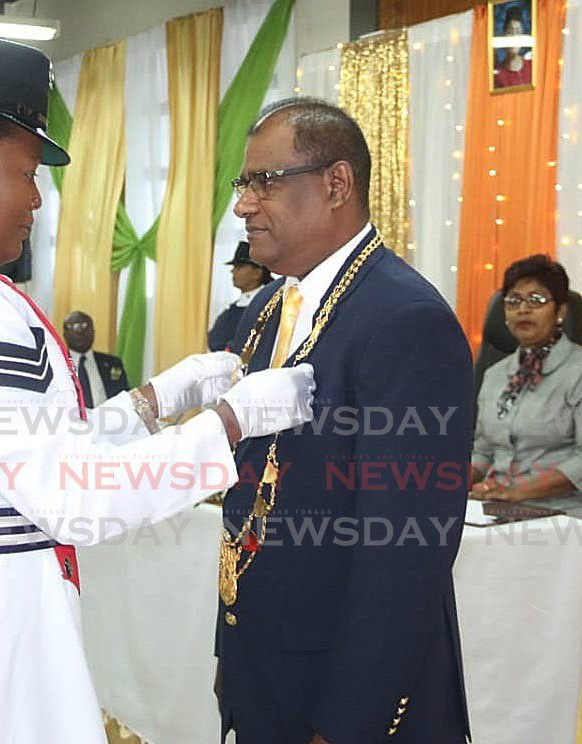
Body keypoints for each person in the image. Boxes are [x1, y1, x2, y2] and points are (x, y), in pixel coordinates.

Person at [0, 33, 316, 744]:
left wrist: (155, 403)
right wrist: (230, 423)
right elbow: (72, 496)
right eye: (24, 173)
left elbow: (13, 451)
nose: (37, 199)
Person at [215, 97, 473, 744]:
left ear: (336, 184)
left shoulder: (403, 320)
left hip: (347, 692)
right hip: (263, 666)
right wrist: (231, 650)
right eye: (242, 184)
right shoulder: (267, 307)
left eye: (263, 182)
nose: (243, 205)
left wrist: (347, 721)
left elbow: (404, 554)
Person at [471, 255, 582, 502]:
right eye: (513, 301)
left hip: (562, 513)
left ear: (560, 311)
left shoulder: (577, 371)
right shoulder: (495, 375)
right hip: (496, 505)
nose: (523, 309)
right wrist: (451, 486)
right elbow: (483, 451)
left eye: (536, 300)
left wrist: (517, 493)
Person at [208, 241, 272, 352]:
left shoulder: (269, 304)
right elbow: (214, 340)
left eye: (239, 266)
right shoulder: (233, 308)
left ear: (257, 272)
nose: (233, 271)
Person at [63, 310, 129, 407]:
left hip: (107, 419)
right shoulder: (58, 363)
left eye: (85, 326)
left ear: (93, 332)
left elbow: (124, 397)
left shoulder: (113, 363)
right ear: (65, 335)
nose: (80, 331)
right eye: (73, 326)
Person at [493, 5, 533, 89]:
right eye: (510, 32)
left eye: (518, 32)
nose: (514, 37)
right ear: (504, 35)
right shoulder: (498, 75)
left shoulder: (532, 66)